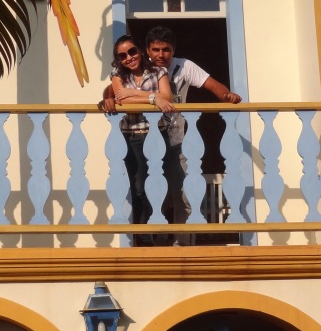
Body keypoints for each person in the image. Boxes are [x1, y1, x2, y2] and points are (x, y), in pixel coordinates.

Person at [102, 26, 241, 244]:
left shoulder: (182, 67)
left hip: (177, 141)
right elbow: (113, 91)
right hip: (146, 139)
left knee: (182, 194)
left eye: (166, 49)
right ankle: (156, 243)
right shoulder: (137, 69)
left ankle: (182, 246)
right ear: (147, 50)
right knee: (148, 192)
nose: (161, 55)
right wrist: (109, 98)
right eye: (155, 50)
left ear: (173, 50)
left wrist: (228, 96)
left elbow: (213, 86)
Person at [104, 35, 175, 244]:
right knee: (138, 189)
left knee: (154, 187)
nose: (129, 57)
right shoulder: (118, 74)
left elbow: (168, 98)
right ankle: (143, 240)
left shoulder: (158, 72)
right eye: (122, 55)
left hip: (156, 135)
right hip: (131, 136)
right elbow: (121, 99)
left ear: (140, 51)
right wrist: (153, 98)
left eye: (132, 51)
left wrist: (133, 94)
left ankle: (159, 236)